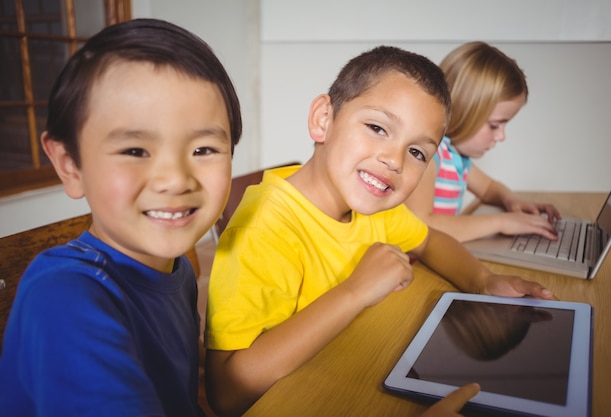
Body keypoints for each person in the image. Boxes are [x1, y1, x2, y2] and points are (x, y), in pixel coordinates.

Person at [203, 45, 556, 417]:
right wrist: (355, 291)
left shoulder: (374, 207)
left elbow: (431, 239)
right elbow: (227, 394)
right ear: (324, 118)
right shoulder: (264, 227)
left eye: (418, 152)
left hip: (340, 372)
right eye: (377, 128)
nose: (394, 160)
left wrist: (483, 281)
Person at [0, 18, 242, 417]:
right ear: (70, 165)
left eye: (203, 150)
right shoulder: (64, 298)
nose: (175, 180)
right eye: (134, 151)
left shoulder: (176, 270)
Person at [404, 41, 561, 243]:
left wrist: (512, 200)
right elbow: (422, 225)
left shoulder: (457, 157)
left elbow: (488, 189)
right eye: (495, 125)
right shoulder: (429, 156)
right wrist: (502, 222)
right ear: (463, 110)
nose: (501, 136)